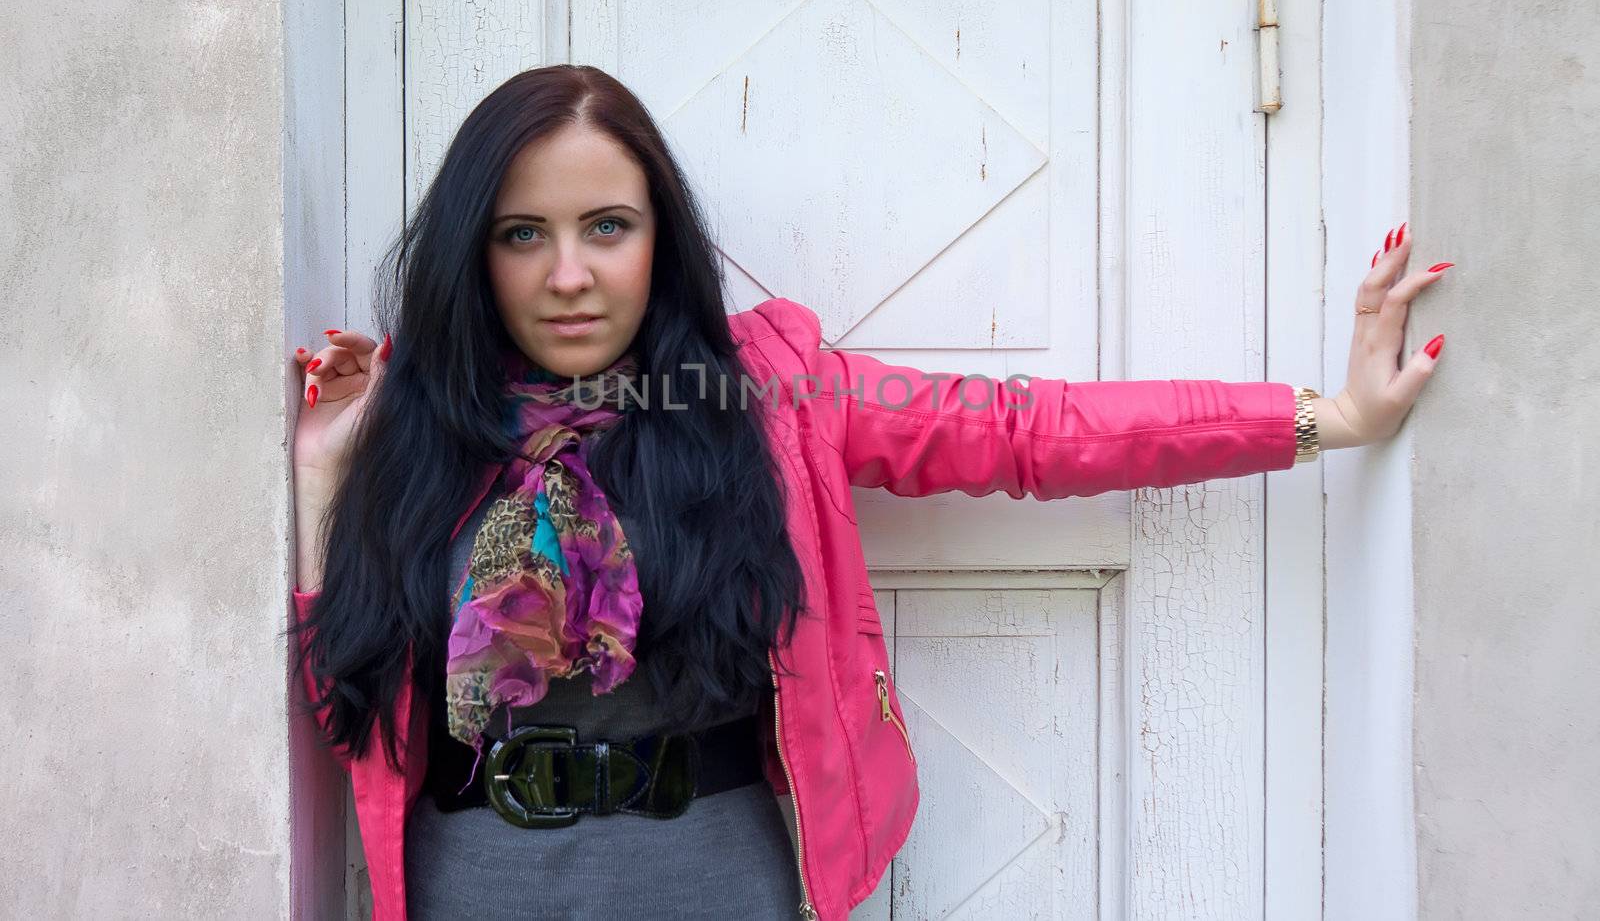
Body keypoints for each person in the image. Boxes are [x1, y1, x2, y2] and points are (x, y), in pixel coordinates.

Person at [287, 64, 1451, 921]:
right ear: (471, 251)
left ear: (661, 239)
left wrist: (1323, 417)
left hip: (714, 883)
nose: (570, 273)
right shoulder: (421, 429)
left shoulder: (773, 396)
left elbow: (1026, 435)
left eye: (608, 226)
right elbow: (347, 698)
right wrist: (320, 476)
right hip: (473, 889)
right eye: (522, 234)